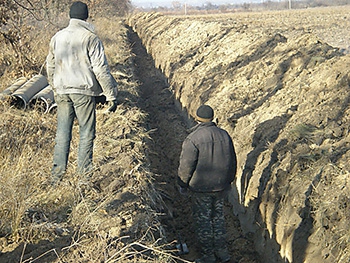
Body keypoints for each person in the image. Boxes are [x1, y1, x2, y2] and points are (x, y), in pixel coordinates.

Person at [46, 1, 118, 185]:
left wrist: (55, 88)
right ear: (86, 16)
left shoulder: (57, 36)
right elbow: (101, 70)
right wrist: (111, 95)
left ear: (70, 16)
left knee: (62, 133)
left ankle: (56, 177)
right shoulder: (90, 38)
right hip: (83, 92)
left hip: (62, 91)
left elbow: (50, 66)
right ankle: (83, 178)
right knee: (86, 132)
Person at [177, 105, 237, 263]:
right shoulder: (224, 135)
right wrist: (228, 181)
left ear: (197, 118)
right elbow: (233, 161)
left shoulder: (193, 139)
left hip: (201, 189)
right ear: (212, 118)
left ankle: (208, 256)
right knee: (218, 218)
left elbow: (186, 166)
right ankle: (223, 253)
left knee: (203, 221)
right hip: (221, 186)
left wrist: (182, 184)